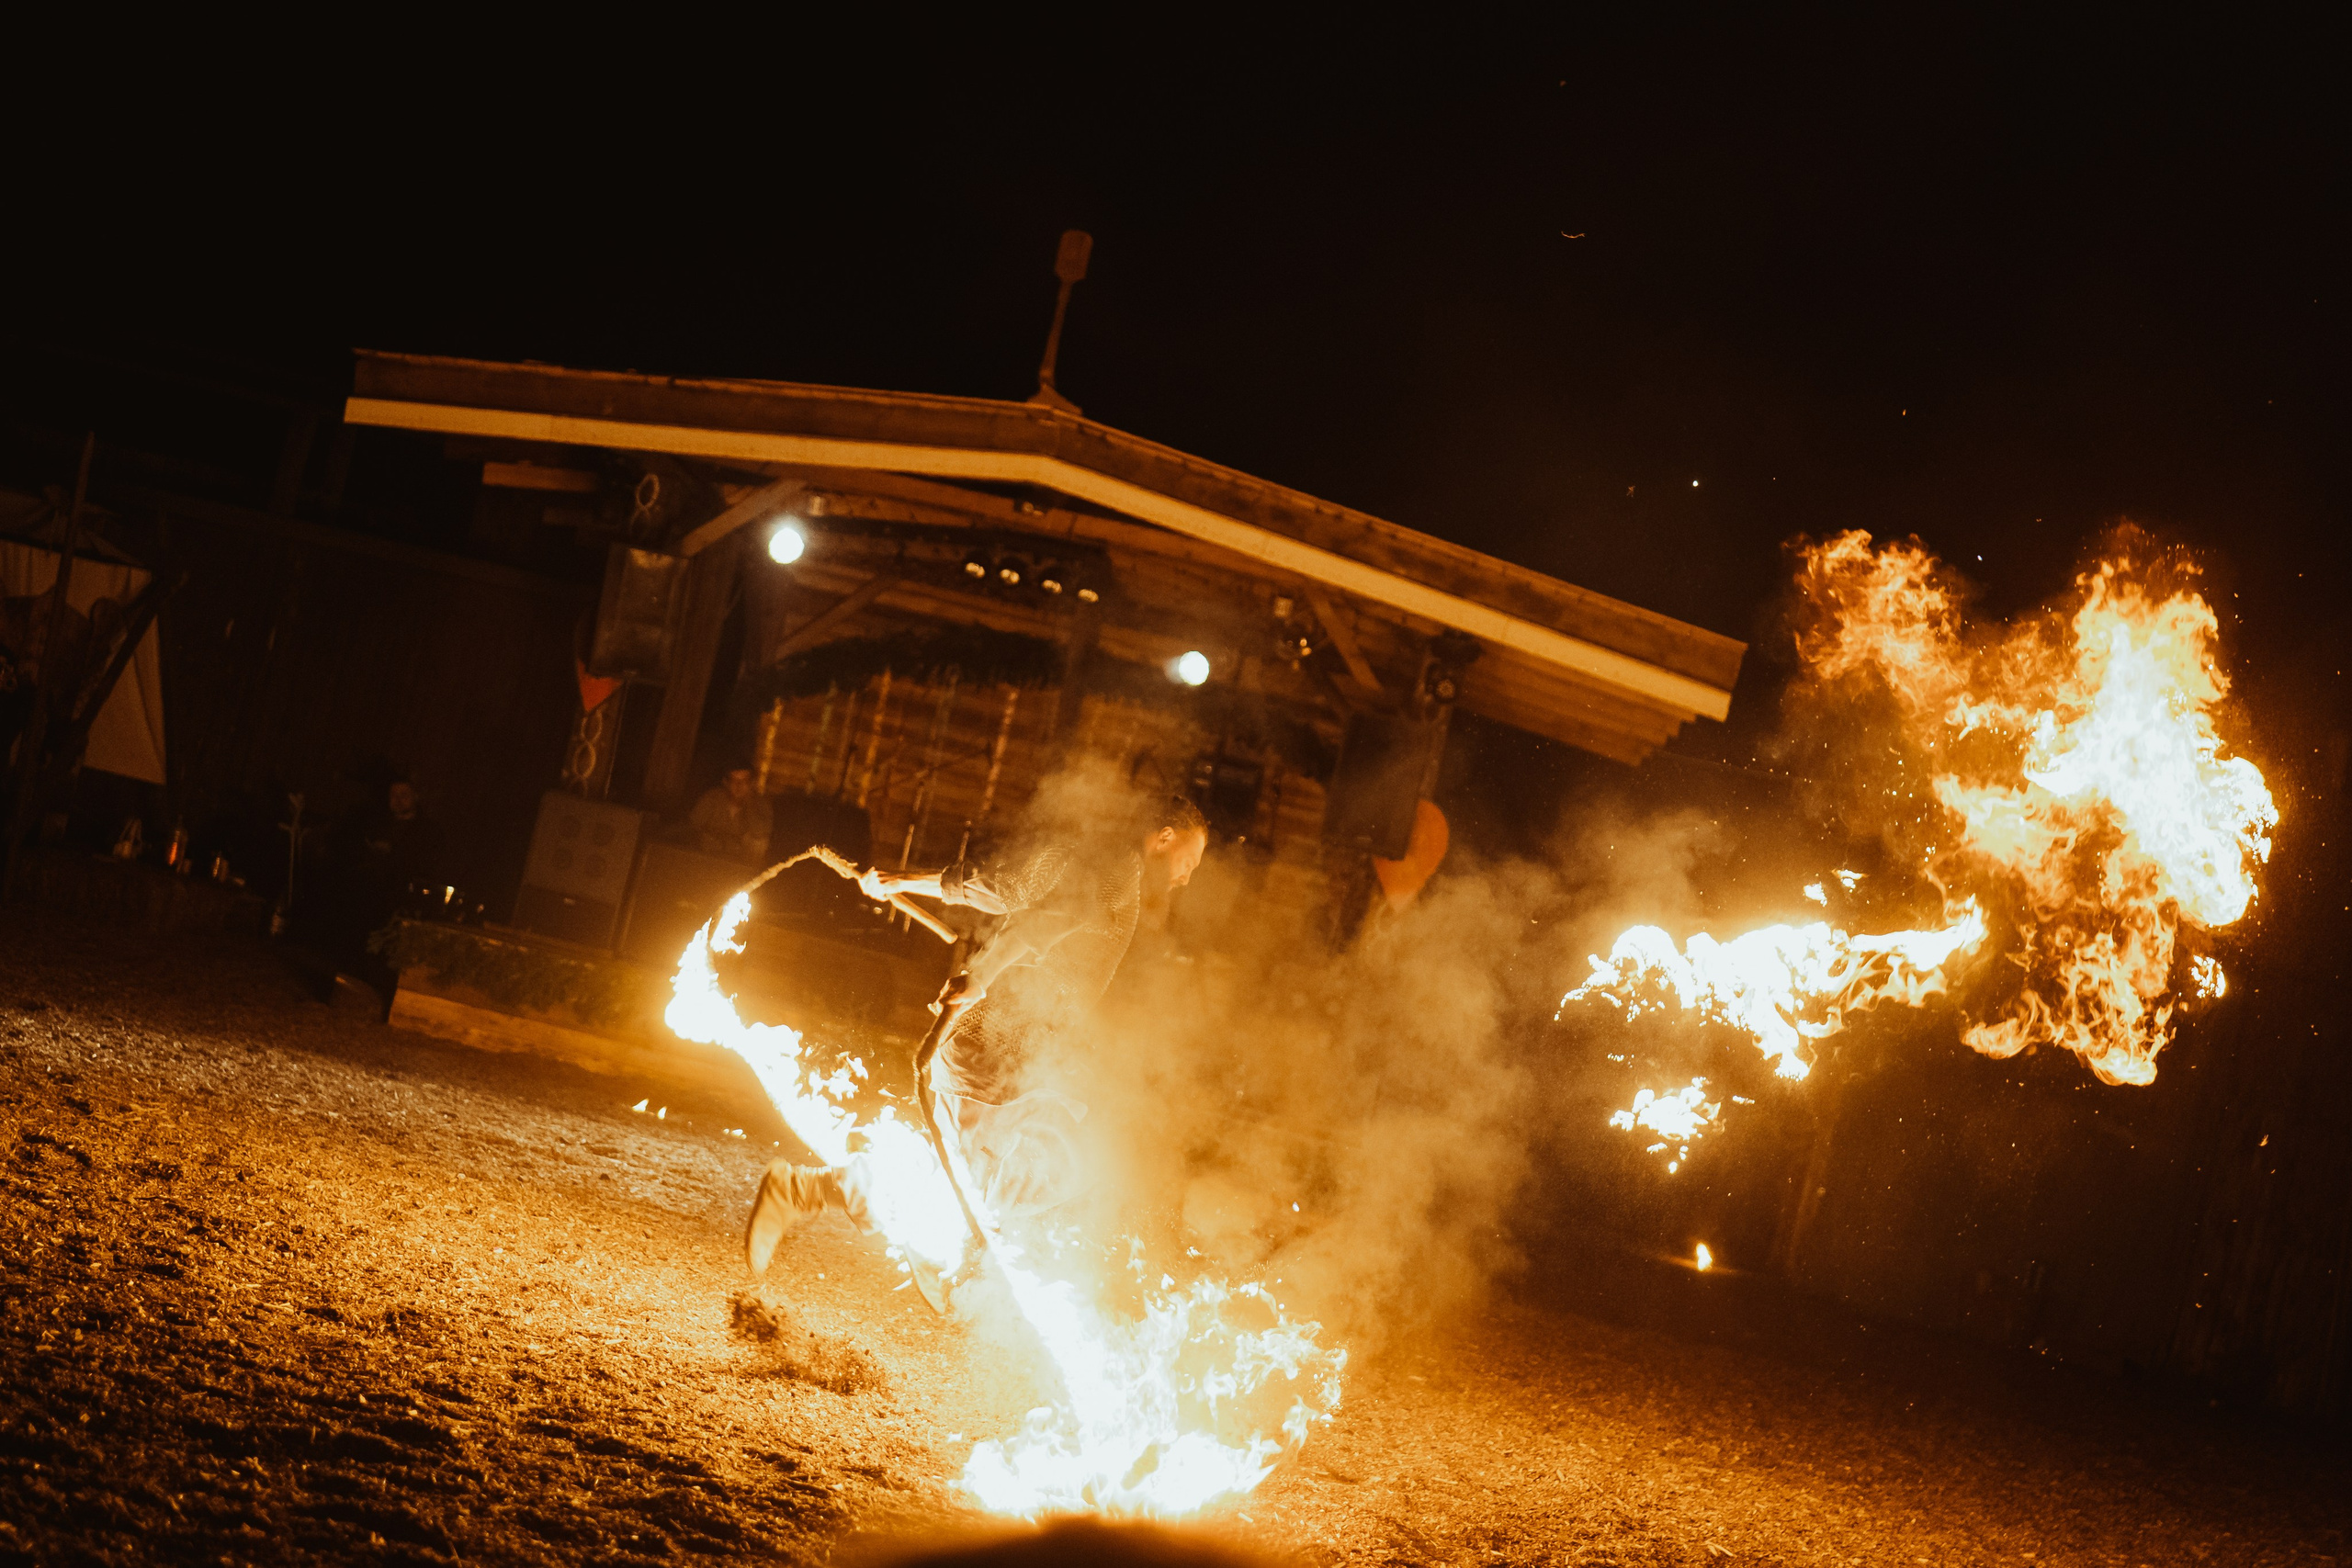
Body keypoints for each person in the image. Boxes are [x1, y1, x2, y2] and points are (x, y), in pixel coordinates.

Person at [744, 794, 1210, 1280]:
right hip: (995, 1044)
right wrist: (983, 974)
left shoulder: (1093, 858)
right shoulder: (1116, 872)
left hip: (1016, 1050)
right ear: (1164, 838)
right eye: (1190, 861)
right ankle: (805, 1191)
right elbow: (1041, 925)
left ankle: (948, 1244)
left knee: (1039, 1165)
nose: (1187, 876)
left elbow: (998, 887)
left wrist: (901, 881)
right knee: (979, 1179)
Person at [689, 766, 772, 864]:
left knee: (759, 842)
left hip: (741, 862)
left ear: (751, 784)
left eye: (744, 781)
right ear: (726, 782)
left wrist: (749, 804)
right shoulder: (712, 799)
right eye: (734, 780)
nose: (739, 785)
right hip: (708, 856)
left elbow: (761, 832)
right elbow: (692, 826)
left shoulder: (761, 804)